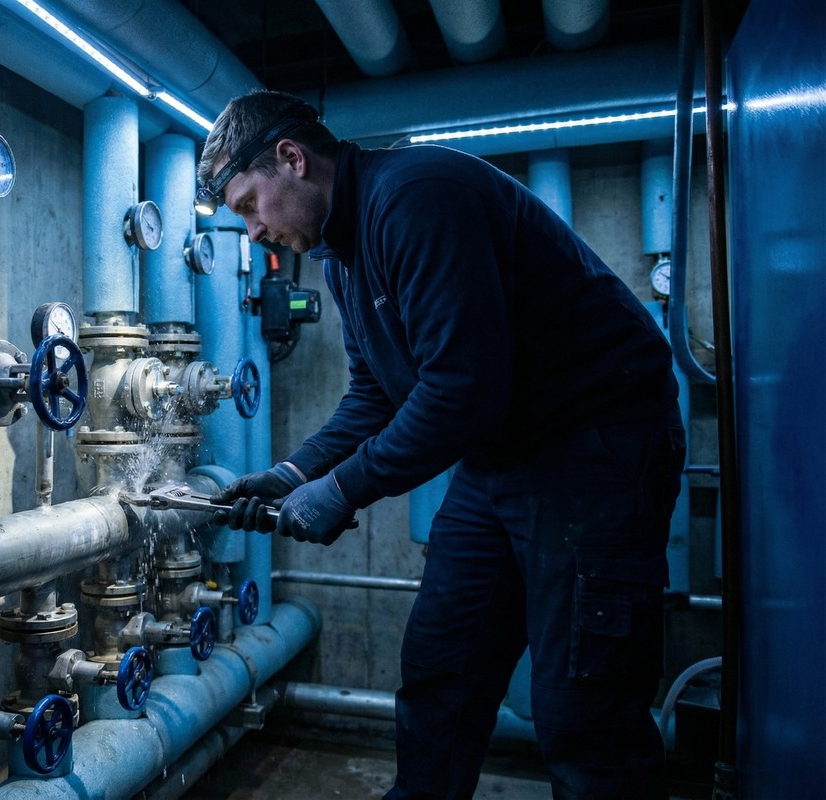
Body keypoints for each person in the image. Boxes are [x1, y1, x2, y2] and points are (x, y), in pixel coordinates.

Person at [198, 90, 686, 800]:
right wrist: (292, 472)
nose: (252, 232)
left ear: (292, 159)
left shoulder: (416, 198)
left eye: (249, 206)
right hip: (502, 459)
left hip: (594, 451)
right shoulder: (343, 255)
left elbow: (463, 390)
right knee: (442, 670)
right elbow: (375, 394)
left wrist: (340, 490)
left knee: (584, 712)